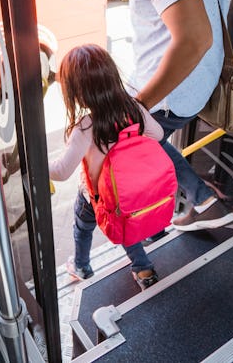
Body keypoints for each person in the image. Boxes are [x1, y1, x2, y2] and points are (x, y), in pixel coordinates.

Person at [86, 0, 233, 231]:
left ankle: (162, 216)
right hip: (202, 78)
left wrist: (140, 106)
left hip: (170, 88)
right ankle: (200, 199)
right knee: (152, 140)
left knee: (122, 138)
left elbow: (194, 38)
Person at [49, 44, 164, 289]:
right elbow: (158, 134)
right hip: (130, 191)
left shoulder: (86, 127)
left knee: (83, 228)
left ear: (77, 93)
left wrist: (35, 163)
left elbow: (61, 171)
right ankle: (143, 271)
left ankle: (81, 266)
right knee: (127, 226)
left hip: (95, 197)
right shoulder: (135, 109)